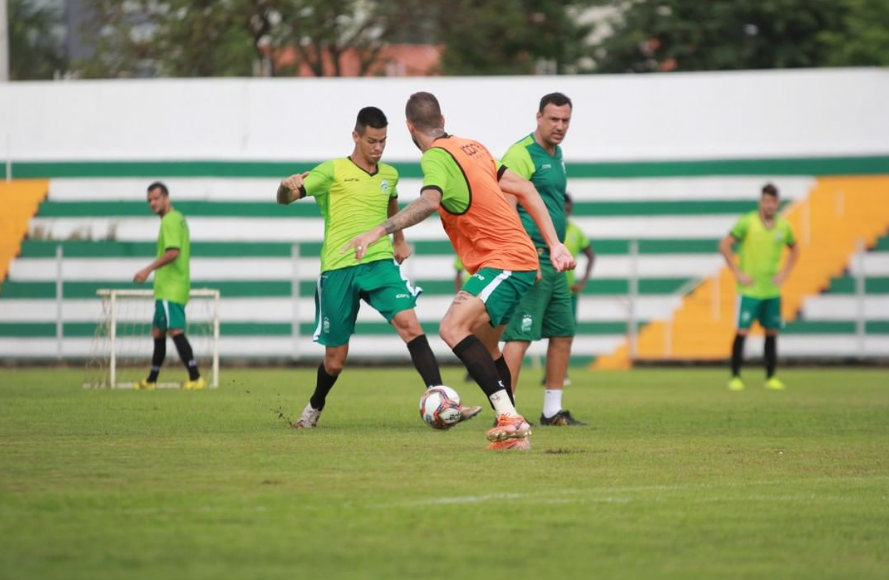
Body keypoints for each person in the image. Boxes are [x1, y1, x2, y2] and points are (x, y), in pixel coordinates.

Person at [344, 92, 575, 450]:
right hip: (516, 259)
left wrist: (380, 229)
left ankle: (508, 417)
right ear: (443, 119)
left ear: (408, 127)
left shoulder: (435, 157)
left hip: (505, 260)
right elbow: (526, 188)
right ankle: (515, 434)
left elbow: (429, 201)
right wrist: (553, 244)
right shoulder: (473, 147)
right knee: (487, 345)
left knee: (452, 328)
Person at [276, 106, 481, 428]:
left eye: (383, 141)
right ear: (356, 136)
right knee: (335, 361)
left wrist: (398, 240)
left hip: (379, 263)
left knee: (411, 326)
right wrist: (285, 186)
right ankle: (313, 409)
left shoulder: (390, 175)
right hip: (338, 269)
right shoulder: (331, 171)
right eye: (372, 140)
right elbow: (284, 199)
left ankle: (443, 401)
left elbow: (392, 205)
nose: (378, 147)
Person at [501, 93, 587, 426]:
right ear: (538, 117)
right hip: (531, 259)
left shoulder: (558, 153)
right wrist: (526, 256)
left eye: (565, 120)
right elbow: (507, 206)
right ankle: (505, 411)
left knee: (563, 332)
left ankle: (552, 410)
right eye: (553, 119)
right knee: (520, 336)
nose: (560, 126)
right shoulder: (521, 154)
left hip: (555, 262)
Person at [718, 183, 799, 391]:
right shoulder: (748, 223)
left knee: (771, 332)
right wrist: (737, 273)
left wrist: (785, 273)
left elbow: (795, 248)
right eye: (766, 201)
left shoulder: (784, 226)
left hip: (772, 290)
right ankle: (736, 376)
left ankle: (771, 377)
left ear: (777, 203)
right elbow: (725, 245)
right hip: (749, 291)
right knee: (742, 331)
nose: (769, 205)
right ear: (760, 202)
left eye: (773, 201)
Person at [133, 181, 204, 390]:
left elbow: (173, 251)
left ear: (166, 197)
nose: (152, 203)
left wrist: (148, 270)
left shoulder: (169, 221)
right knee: (158, 331)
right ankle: (151, 380)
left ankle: (195, 376)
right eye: (149, 200)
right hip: (170, 288)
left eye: (156, 198)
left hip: (170, 288)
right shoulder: (179, 218)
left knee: (175, 331)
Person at [541, 192, 595, 386]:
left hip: (568, 292)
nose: (566, 212)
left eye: (569, 209)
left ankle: (557, 374)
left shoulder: (576, 231)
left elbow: (591, 255)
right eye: (564, 208)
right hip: (545, 287)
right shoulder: (545, 229)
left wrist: (582, 283)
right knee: (531, 333)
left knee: (564, 333)